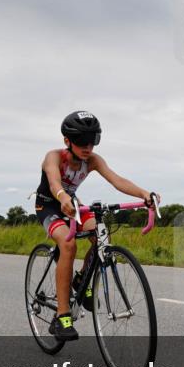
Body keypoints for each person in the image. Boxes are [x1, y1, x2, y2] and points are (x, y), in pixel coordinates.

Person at [34, 111, 160, 341]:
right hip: (50, 206)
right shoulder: (54, 157)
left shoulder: (92, 160)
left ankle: (82, 279)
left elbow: (116, 179)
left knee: (102, 237)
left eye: (92, 141)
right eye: (82, 141)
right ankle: (63, 316)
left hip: (73, 205)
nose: (88, 147)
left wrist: (144, 193)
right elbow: (53, 182)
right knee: (68, 245)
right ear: (67, 141)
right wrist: (62, 197)